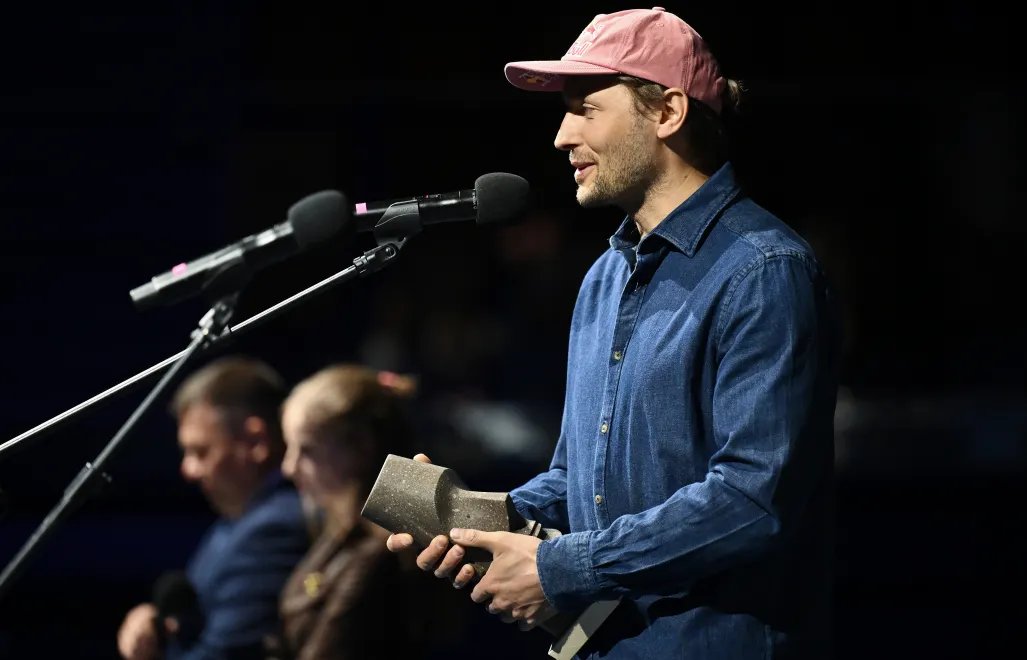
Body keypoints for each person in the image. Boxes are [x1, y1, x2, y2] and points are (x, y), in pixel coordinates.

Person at [387, 7, 842, 660]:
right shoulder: (604, 276)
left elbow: (750, 502)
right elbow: (580, 481)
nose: (560, 135)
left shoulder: (765, 272)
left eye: (585, 108)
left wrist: (558, 569)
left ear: (667, 113)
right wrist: (474, 516)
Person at [117, 357, 310, 660]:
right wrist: (157, 626)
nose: (187, 470)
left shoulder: (275, 528)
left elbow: (227, 653)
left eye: (200, 451)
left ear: (255, 442)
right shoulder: (237, 521)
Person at [266, 365, 460, 659]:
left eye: (306, 450)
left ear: (360, 448)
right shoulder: (341, 537)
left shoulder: (381, 556)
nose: (288, 467)